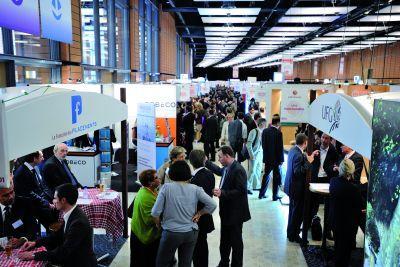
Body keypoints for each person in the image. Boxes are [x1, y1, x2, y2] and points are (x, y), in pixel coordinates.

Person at [151, 160, 217, 267]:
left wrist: (158, 224)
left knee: (162, 263)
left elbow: (155, 213)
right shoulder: (196, 189)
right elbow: (212, 204)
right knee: (185, 264)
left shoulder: (166, 188)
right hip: (190, 232)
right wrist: (200, 213)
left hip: (171, 232)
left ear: (172, 173)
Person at [19, 183, 97, 267]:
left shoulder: (78, 222)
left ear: (63, 200)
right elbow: (56, 236)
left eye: (55, 198)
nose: (53, 201)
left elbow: (63, 252)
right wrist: (35, 243)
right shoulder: (72, 213)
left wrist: (34, 255)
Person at [206, 146, 251, 267]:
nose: (219, 159)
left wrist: (222, 193)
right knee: (224, 240)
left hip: (235, 214)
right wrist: (206, 162)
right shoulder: (227, 168)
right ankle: (224, 262)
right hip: (226, 212)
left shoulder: (238, 170)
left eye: (220, 157)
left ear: (227, 156)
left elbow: (241, 191)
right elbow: (219, 171)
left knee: (236, 242)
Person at [329, 159, 363, 267]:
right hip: (348, 225)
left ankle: (337, 261)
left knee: (338, 244)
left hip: (335, 220)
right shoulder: (354, 189)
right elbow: (359, 207)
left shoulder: (333, 181)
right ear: (352, 171)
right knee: (345, 251)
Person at [0, 178, 55, 245]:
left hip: (21, 246)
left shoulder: (25, 203)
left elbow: (33, 229)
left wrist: (22, 239)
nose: (10, 197)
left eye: (12, 192)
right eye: (5, 195)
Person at [285, 133, 318, 244]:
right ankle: (294, 235)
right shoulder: (299, 155)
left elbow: (300, 159)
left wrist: (308, 157)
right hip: (296, 188)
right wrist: (309, 162)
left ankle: (290, 233)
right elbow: (298, 171)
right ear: (305, 143)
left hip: (291, 186)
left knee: (292, 212)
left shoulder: (293, 150)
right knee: (297, 214)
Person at [189, 150, 216, 267]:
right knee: (202, 245)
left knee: (197, 247)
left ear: (191, 162)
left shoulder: (194, 180)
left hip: (196, 217)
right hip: (206, 217)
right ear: (205, 159)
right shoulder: (210, 174)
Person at [130, 170, 161, 267]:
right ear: (150, 183)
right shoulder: (147, 197)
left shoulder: (149, 190)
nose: (159, 179)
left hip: (138, 232)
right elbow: (149, 220)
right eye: (156, 178)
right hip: (144, 236)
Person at [310, 133, 339, 223]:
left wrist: (332, 168)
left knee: (328, 204)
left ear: (330, 140)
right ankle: (311, 222)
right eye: (323, 137)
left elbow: (336, 162)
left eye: (326, 138)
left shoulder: (333, 151)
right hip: (315, 177)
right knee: (313, 202)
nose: (324, 140)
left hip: (327, 178)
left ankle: (327, 228)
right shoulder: (315, 147)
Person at [259, 116, 284, 200]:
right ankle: (275, 196)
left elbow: (263, 145)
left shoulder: (265, 131)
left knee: (266, 175)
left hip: (267, 158)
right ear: (278, 123)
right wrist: (281, 160)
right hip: (276, 160)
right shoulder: (279, 133)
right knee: (276, 178)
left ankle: (261, 194)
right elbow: (280, 148)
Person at [246, 118, 266, 194]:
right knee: (251, 171)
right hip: (254, 154)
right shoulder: (253, 131)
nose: (265, 125)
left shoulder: (263, 132)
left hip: (260, 153)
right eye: (264, 124)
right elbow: (249, 144)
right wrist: (251, 154)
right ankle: (248, 187)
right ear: (261, 124)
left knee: (258, 170)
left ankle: (256, 186)